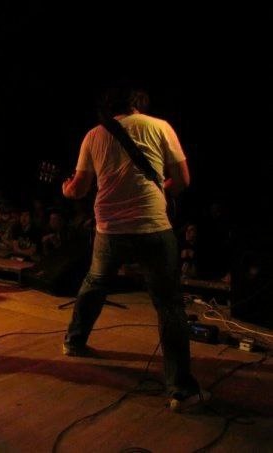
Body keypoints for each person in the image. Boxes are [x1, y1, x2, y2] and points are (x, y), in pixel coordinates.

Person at [61, 87, 204, 412]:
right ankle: (181, 391)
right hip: (153, 227)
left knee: (95, 283)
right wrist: (160, 189)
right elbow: (183, 180)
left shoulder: (94, 135)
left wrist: (66, 189)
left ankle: (74, 342)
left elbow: (79, 189)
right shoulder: (160, 127)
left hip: (109, 229)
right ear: (139, 103)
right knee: (168, 304)